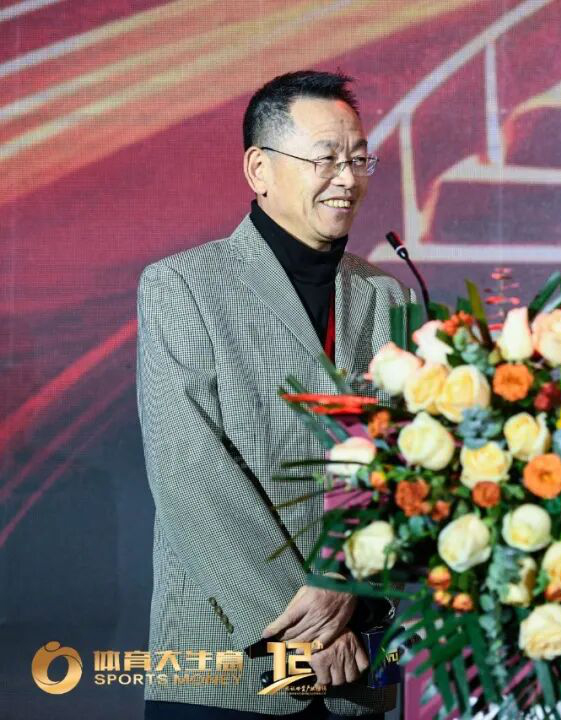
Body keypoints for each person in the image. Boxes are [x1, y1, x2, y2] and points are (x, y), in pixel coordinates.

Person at [136, 71, 408, 719]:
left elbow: (404, 470)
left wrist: (349, 588)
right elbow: (190, 475)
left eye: (359, 159)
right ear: (260, 169)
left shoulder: (386, 296)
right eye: (325, 158)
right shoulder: (183, 286)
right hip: (228, 666)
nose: (347, 178)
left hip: (356, 669)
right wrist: (304, 628)